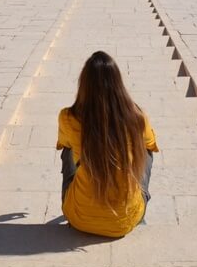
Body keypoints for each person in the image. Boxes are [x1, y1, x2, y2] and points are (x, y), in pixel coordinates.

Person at [57, 51, 159, 238]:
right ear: (118, 84)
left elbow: (63, 143)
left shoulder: (68, 117)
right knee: (146, 149)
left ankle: (83, 201)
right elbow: (152, 144)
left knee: (67, 148)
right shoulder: (137, 117)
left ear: (84, 84)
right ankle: (139, 197)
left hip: (79, 218)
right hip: (126, 221)